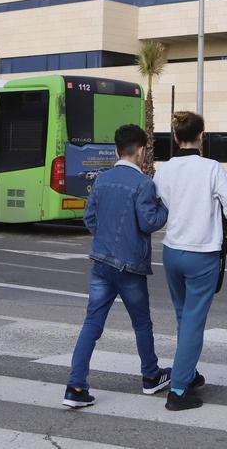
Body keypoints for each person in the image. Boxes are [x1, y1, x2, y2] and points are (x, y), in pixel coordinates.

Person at [63, 124, 170, 408]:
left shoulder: (102, 179)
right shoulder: (144, 184)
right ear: (143, 151)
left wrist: (106, 238)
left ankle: (75, 387)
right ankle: (150, 376)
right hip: (130, 266)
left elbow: (90, 218)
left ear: (116, 151)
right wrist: (164, 208)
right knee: (141, 323)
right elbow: (149, 221)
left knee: (92, 323)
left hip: (101, 262)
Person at [154, 111, 227, 411]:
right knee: (194, 321)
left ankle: (188, 373)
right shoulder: (211, 168)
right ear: (201, 136)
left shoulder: (164, 170)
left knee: (183, 316)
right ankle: (178, 391)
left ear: (176, 137)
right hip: (201, 253)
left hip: (171, 250)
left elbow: (162, 203)